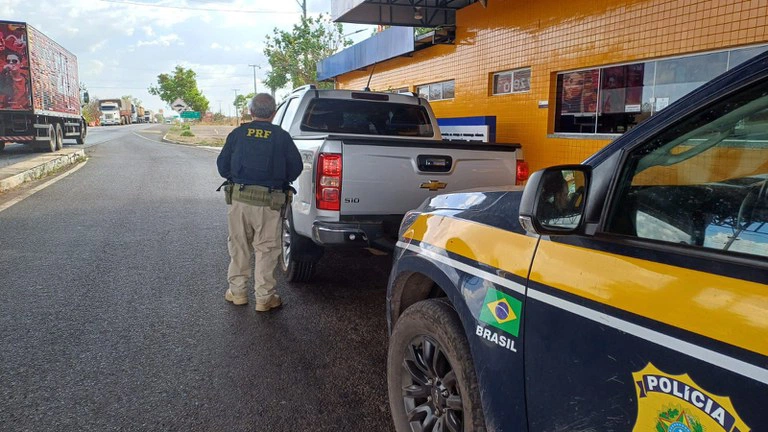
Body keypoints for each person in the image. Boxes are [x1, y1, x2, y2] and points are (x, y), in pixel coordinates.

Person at [217, 93, 303, 312]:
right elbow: (296, 168)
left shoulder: (237, 134)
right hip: (270, 202)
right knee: (266, 249)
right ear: (274, 114)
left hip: (239, 199)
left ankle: (237, 293)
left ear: (251, 111)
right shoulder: (281, 136)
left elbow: (222, 167)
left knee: (239, 245)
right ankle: (265, 298)